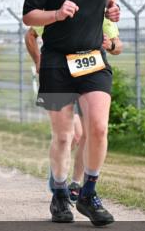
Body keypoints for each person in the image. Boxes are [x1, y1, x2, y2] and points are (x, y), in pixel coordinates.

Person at [22, 0, 121, 226]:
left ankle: (89, 192)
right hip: (56, 61)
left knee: (99, 128)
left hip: (92, 59)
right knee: (64, 137)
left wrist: (113, 8)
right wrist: (56, 14)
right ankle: (60, 194)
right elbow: (29, 17)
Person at [27, 18, 122, 202]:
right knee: (71, 135)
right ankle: (58, 175)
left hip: (90, 74)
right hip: (60, 72)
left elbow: (118, 46)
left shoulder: (98, 9)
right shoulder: (60, 7)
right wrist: (39, 61)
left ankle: (76, 185)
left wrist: (109, 44)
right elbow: (30, 35)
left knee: (89, 133)